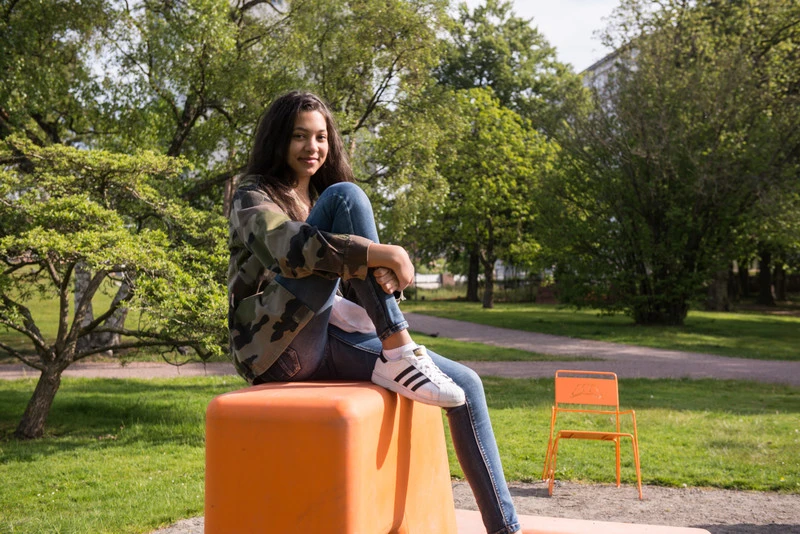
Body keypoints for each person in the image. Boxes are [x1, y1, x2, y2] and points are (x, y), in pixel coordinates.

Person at [226, 90, 521, 534]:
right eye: (299, 136)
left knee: (467, 386)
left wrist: (375, 263)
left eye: (321, 137)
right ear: (277, 140)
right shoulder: (251, 195)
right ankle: (398, 348)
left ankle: (505, 529)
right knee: (348, 197)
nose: (313, 147)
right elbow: (288, 251)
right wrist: (383, 252)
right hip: (278, 351)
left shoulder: (320, 197)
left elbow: (354, 283)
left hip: (329, 339)